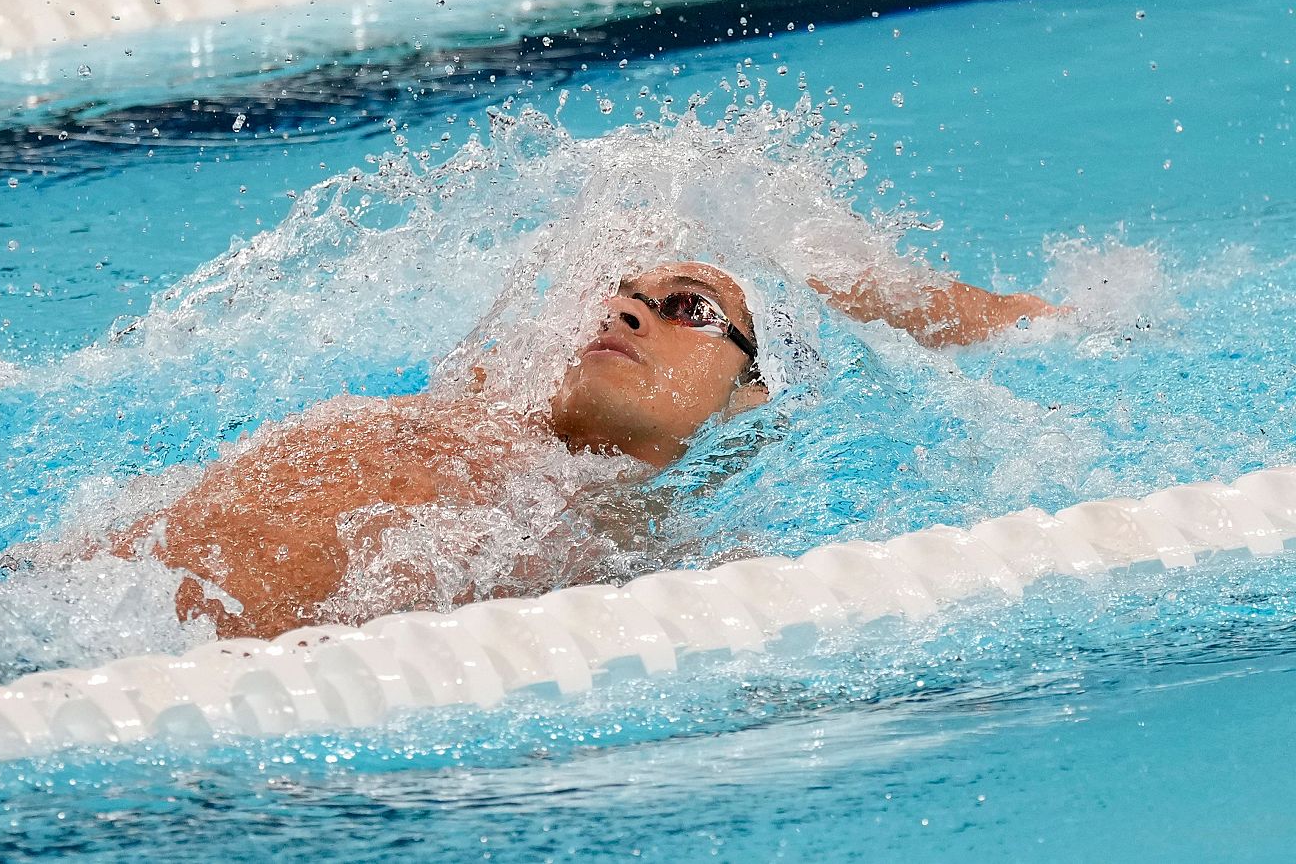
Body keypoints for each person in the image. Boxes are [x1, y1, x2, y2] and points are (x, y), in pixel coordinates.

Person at [112, 260, 1060, 639]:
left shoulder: (633, 560)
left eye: (689, 308)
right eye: (625, 294)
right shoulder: (469, 416)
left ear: (754, 395)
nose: (627, 309)